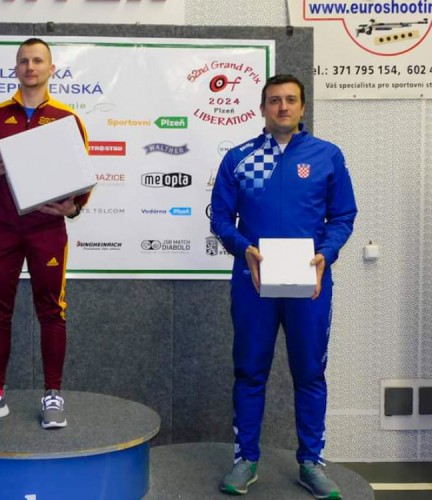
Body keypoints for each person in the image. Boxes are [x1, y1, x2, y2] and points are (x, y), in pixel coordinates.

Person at [211, 74, 357, 499]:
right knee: (249, 371)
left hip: (309, 284)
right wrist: (244, 248)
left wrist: (326, 254)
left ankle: (312, 462)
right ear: (262, 108)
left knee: (310, 373)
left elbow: (343, 216)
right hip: (253, 282)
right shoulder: (239, 157)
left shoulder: (327, 156)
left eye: (291, 100)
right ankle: (245, 459)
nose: (283, 107)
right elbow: (220, 217)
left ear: (303, 107)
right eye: (274, 100)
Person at [0, 38, 90, 429]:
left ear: (51, 69)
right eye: (23, 61)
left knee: (52, 310)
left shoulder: (67, 119)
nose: (30, 67)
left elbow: (82, 177)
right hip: (3, 228)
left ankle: (53, 394)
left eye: (37, 60)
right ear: (15, 68)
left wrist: (74, 208)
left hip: (47, 229)